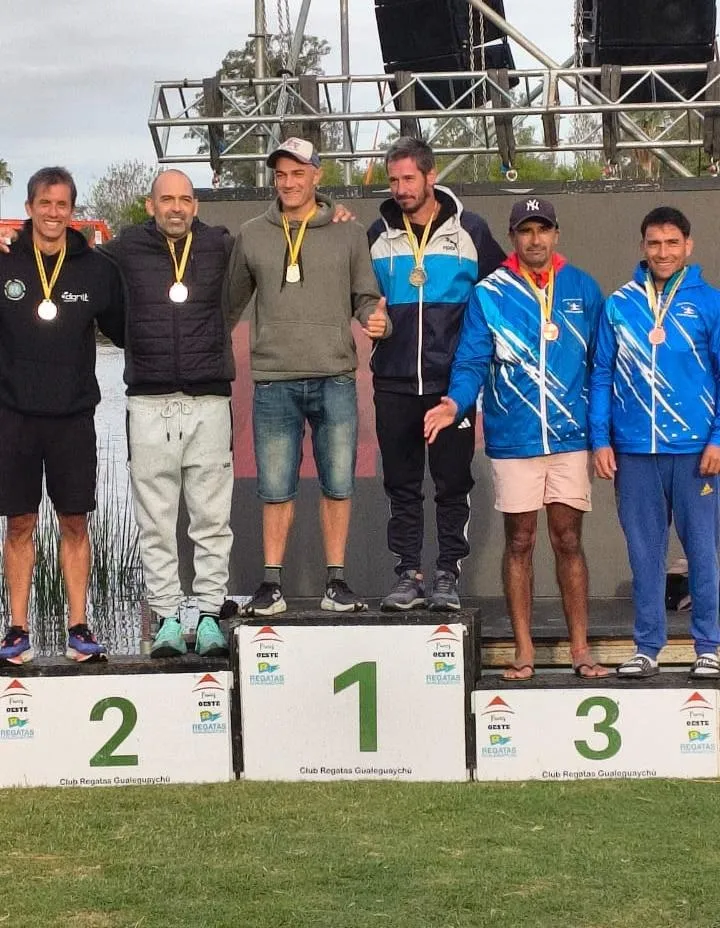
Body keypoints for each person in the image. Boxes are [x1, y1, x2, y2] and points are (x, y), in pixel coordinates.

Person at [425, 197, 608, 680]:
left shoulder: (583, 289)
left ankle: (580, 649)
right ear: (512, 238)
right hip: (514, 438)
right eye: (525, 231)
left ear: (556, 234)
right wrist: (455, 402)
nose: (534, 239)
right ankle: (523, 649)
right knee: (521, 541)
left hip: (569, 437)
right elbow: (470, 361)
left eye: (542, 230)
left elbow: (602, 367)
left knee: (569, 540)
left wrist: (602, 432)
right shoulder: (490, 293)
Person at [224, 137, 389, 616]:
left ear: (318, 175)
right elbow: (226, 307)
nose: (289, 182)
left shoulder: (349, 232)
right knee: (275, 488)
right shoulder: (252, 233)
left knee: (338, 484)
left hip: (335, 376)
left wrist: (378, 320)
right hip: (274, 380)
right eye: (281, 174)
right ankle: (271, 585)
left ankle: (336, 583)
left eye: (298, 173)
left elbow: (366, 297)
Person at [102, 170, 238, 659]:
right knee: (155, 520)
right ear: (150, 204)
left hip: (209, 400)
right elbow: (76, 268)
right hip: (147, 400)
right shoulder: (124, 249)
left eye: (185, 199)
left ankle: (206, 616)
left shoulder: (221, 245)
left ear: (195, 205)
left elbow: (277, 235)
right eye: (167, 199)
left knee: (211, 519)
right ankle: (163, 617)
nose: (176, 208)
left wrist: (333, 208)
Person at [367, 137, 505, 612]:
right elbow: (362, 296)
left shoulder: (472, 230)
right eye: (393, 180)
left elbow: (501, 291)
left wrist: (480, 348)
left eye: (409, 178)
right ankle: (408, 572)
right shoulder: (377, 233)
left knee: (452, 483)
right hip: (393, 380)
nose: (401, 188)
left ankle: (448, 572)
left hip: (451, 386)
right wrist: (371, 316)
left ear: (431, 176)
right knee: (401, 484)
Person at [0, 166, 125, 665]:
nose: (53, 214)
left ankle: (78, 626)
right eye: (44, 204)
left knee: (75, 523)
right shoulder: (5, 261)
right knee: (19, 523)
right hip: (13, 415)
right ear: (29, 208)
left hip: (73, 416)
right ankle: (16, 629)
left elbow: (127, 332)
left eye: (62, 205)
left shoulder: (93, 267)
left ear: (72, 211)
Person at [590, 206, 720, 678]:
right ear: (642, 247)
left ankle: (710, 644)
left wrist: (718, 439)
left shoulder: (710, 303)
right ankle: (648, 646)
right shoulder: (619, 304)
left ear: (688, 246)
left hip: (693, 452)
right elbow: (601, 374)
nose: (662, 252)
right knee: (644, 554)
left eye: (671, 243)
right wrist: (601, 439)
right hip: (634, 453)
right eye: (653, 243)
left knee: (703, 551)